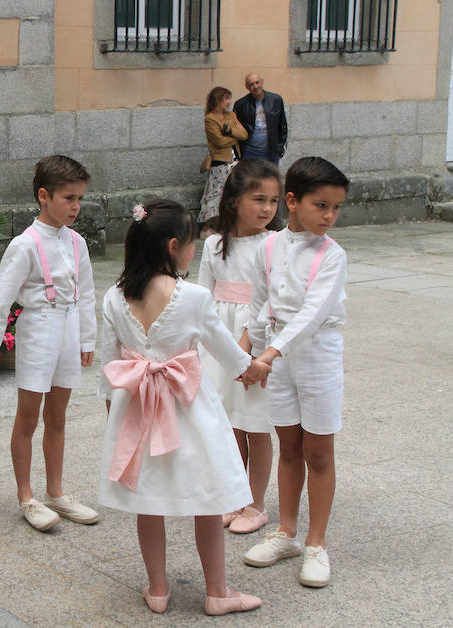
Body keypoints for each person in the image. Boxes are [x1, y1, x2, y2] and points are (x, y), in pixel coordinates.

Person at [98, 199, 271, 616]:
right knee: (207, 499)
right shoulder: (192, 296)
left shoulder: (113, 296)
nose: (197, 249)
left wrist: (113, 415)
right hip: (189, 410)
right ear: (174, 246)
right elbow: (228, 353)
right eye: (193, 243)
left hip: (136, 409)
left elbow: (109, 365)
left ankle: (157, 589)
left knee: (148, 502)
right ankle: (217, 591)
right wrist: (256, 367)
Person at [0, 155, 98, 531]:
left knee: (57, 416)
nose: (76, 206)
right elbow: (0, 300)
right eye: (68, 198)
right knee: (28, 417)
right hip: (39, 329)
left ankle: (56, 491)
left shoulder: (77, 243)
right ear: (44, 196)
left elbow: (87, 294)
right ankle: (26, 495)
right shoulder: (24, 245)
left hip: (68, 326)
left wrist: (86, 337)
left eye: (80, 199)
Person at [242, 157, 350, 588]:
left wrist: (268, 354)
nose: (329, 216)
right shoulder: (267, 247)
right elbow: (259, 303)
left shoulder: (332, 255)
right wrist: (250, 355)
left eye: (336, 208)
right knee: (288, 445)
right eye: (321, 205)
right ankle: (286, 531)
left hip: (317, 357)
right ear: (292, 201)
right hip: (276, 359)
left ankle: (316, 543)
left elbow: (312, 313)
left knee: (318, 451)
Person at [197, 159, 283, 535]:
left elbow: (269, 303)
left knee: (255, 424)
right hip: (218, 342)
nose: (267, 209)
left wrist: (246, 353)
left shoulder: (274, 245)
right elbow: (201, 299)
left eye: (274, 201)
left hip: (254, 343)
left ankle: (257, 503)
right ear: (233, 201)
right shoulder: (214, 244)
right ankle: (233, 496)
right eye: (258, 199)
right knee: (228, 423)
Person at [199, 87, 248, 238]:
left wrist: (229, 131)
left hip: (235, 160)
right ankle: (207, 227)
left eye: (229, 98)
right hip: (220, 162)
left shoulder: (232, 115)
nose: (229, 102)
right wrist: (234, 137)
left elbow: (244, 134)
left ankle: (227, 224)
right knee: (216, 194)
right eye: (226, 99)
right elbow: (218, 141)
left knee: (233, 193)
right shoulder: (210, 119)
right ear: (217, 100)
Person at [233, 73, 288, 166]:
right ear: (247, 87)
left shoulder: (276, 100)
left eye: (257, 82)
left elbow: (282, 125)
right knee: (250, 180)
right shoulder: (240, 105)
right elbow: (236, 131)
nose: (255, 86)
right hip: (249, 153)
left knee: (270, 179)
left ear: (262, 82)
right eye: (251, 84)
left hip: (271, 153)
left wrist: (279, 149)